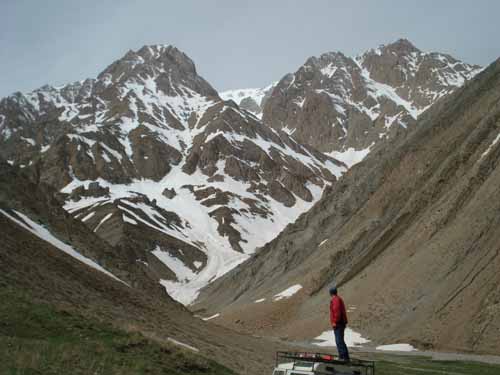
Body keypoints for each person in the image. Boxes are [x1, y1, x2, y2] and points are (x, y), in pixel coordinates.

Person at [329, 286, 350, 361]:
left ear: (331, 293)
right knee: (340, 340)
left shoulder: (335, 300)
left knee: (339, 341)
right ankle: (344, 357)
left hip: (338, 323)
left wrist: (334, 321)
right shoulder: (338, 299)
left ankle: (343, 357)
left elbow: (337, 312)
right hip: (340, 323)